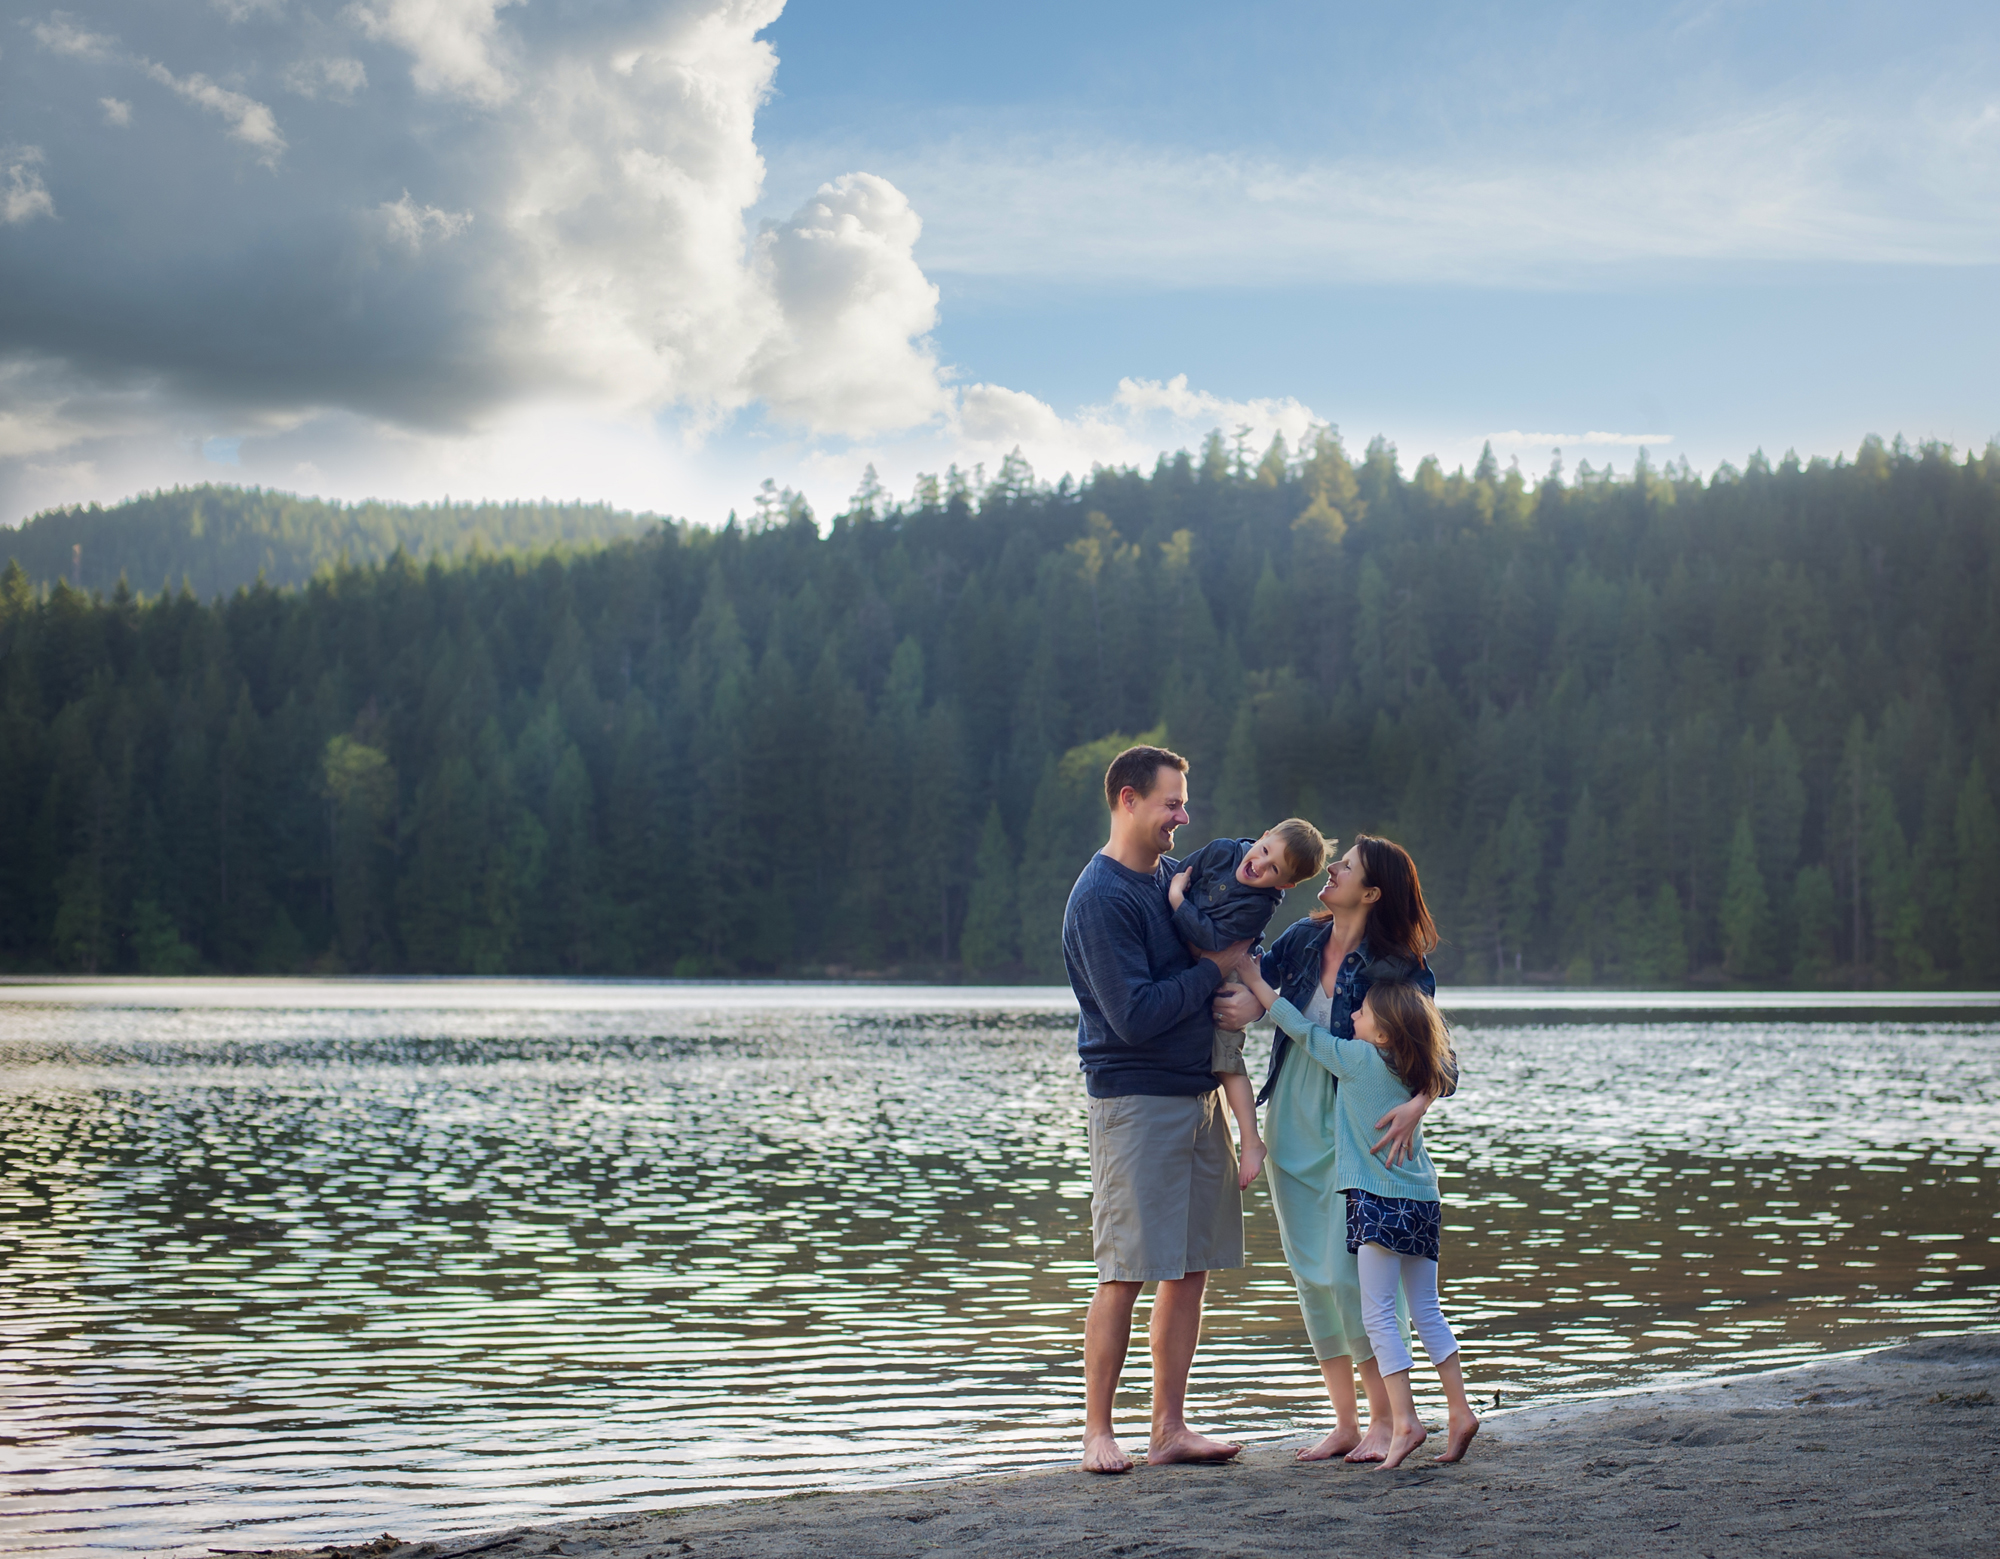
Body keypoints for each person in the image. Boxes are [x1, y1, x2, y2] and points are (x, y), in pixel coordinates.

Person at [1210, 834, 1450, 1463]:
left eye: (1345, 869)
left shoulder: (1397, 964)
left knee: (1351, 1273)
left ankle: (1386, 1419)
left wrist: (1417, 1105)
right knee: (1311, 1272)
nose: (1332, 871)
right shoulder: (1302, 939)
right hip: (1292, 1104)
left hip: (1355, 1115)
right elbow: (1256, 979)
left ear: (1371, 893)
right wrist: (1237, 999)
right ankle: (1344, 1421)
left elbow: (1437, 1060)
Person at [1061, 743, 1251, 1475]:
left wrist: (1239, 987)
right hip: (1134, 1103)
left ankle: (1168, 1426)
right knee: (1126, 1269)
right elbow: (1134, 1015)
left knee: (1190, 1267)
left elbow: (1236, 932)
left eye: (1183, 802)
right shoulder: (1098, 897)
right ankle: (1097, 1432)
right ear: (1128, 799)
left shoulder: (1175, 880)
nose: (1183, 815)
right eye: (1171, 802)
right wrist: (1211, 974)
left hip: (1198, 1095)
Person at [1229, 965, 1479, 1467]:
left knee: (1379, 1313)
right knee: (1425, 1310)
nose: (1353, 1014)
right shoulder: (1416, 1068)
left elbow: (1298, 1028)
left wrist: (1253, 978)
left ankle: (1404, 1422)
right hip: (1423, 1199)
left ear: (1381, 1033)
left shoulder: (1358, 1059)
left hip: (1376, 1200)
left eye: (1361, 1012)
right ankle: (1459, 1409)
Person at [1166, 819, 1329, 1190]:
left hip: (1231, 974)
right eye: (1265, 851)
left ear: (1284, 884)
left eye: (1274, 870)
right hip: (1193, 963)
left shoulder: (1260, 905)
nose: (1260, 865)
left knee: (1227, 1060)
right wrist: (1176, 892)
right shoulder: (1223, 849)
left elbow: (1213, 938)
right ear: (1265, 835)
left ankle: (1251, 1140)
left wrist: (1177, 900)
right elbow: (1183, 871)